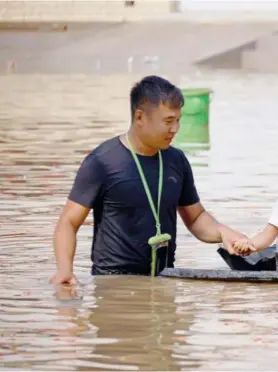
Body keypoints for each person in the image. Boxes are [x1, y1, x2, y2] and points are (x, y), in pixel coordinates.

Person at [50, 75, 249, 284]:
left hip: (164, 279)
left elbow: (196, 217)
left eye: (178, 120)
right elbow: (68, 222)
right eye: (168, 121)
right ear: (140, 117)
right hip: (113, 283)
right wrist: (65, 270)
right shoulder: (102, 161)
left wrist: (223, 233)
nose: (175, 129)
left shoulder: (176, 160)